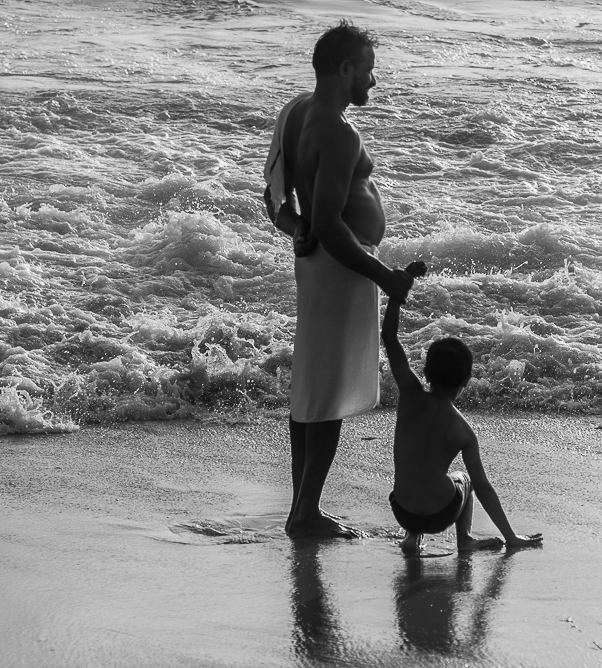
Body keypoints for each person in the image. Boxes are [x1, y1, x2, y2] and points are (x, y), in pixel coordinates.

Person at [262, 21, 415, 539]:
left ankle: (301, 506)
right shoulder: (338, 130)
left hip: (317, 264)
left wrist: (296, 227)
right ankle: (305, 513)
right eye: (368, 71)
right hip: (341, 267)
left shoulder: (294, 112)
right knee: (325, 398)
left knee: (311, 391)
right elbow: (330, 224)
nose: (373, 83)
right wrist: (386, 277)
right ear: (345, 69)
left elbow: (275, 203)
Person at [382, 262, 544, 553]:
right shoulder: (463, 430)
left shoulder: (410, 394)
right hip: (440, 515)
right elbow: (482, 488)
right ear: (467, 381)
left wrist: (397, 293)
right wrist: (511, 537)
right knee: (465, 478)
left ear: (426, 373)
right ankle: (464, 541)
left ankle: (410, 537)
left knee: (415, 473)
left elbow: (390, 339)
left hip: (401, 509)